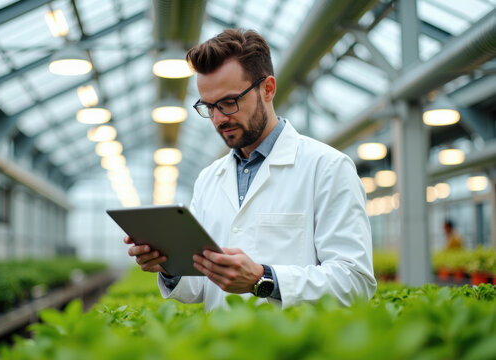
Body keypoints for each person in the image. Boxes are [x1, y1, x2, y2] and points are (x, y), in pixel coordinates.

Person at [126, 29, 376, 311]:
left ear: (268, 89)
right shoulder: (209, 179)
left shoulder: (328, 168)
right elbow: (198, 287)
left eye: (229, 102)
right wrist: (169, 267)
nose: (219, 119)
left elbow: (355, 282)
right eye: (209, 107)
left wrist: (263, 279)